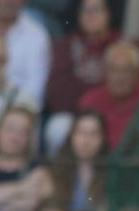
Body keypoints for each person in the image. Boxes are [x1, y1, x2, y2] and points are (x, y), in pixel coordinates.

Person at [44, 0, 115, 150]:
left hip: (110, 112)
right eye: (86, 11)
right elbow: (56, 93)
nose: (91, 15)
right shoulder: (65, 45)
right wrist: (93, 94)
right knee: (58, 126)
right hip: (74, 114)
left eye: (96, 10)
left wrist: (83, 88)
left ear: (108, 14)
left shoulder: (119, 44)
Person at [47, 106, 106, 211]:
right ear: (71, 136)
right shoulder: (55, 171)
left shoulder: (109, 174)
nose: (86, 140)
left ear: (102, 139)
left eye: (93, 134)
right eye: (81, 133)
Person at [76, 39, 139, 151]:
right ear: (105, 72)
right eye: (114, 70)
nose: (119, 77)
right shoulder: (90, 101)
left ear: (137, 73)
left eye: (126, 70)